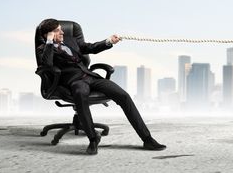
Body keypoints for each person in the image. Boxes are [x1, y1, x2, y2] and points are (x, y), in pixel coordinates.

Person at [36, 19, 166, 155]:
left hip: (91, 76)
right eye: (57, 30)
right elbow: (47, 65)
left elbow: (90, 47)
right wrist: (50, 42)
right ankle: (93, 139)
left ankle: (147, 139)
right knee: (80, 96)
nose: (62, 32)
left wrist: (108, 41)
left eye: (61, 29)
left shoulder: (70, 40)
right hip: (74, 82)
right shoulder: (43, 49)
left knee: (124, 96)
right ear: (48, 34)